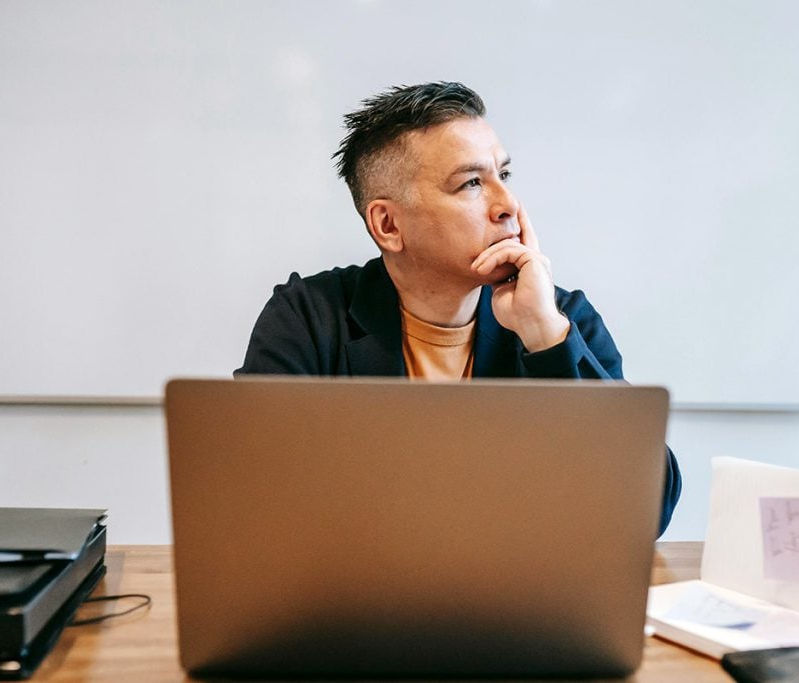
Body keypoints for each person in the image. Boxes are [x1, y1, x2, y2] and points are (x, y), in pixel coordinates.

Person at [236, 81, 680, 534]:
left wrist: (546, 337)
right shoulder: (309, 319)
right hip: (358, 593)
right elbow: (252, 497)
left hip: (520, 593)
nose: (508, 205)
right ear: (388, 224)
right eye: (471, 183)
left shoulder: (558, 316)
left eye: (503, 176)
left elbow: (647, 512)